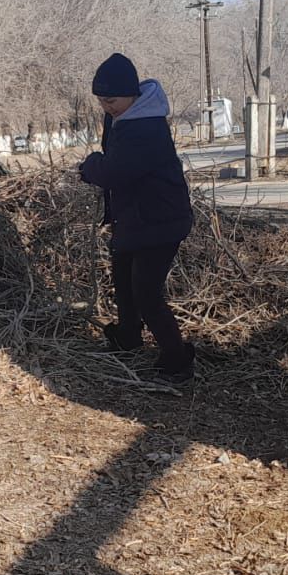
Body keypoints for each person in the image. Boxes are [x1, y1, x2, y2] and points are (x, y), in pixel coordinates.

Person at [78, 53, 196, 385]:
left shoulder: (145, 126)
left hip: (161, 221)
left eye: (112, 100)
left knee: (146, 293)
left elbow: (115, 171)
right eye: (101, 101)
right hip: (135, 219)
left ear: (132, 94)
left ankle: (177, 360)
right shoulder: (122, 116)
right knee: (123, 280)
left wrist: (90, 165)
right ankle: (128, 338)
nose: (106, 107)